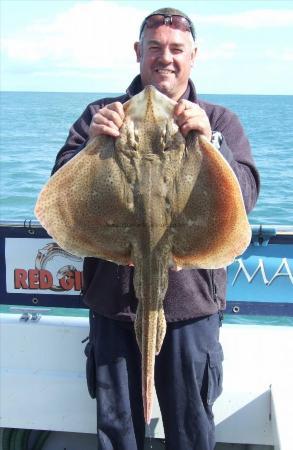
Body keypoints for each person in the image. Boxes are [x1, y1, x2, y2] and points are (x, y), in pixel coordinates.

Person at [52, 7, 260, 450]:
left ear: (192, 56)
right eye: (154, 48)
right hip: (113, 306)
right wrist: (93, 145)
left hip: (191, 311)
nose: (165, 58)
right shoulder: (101, 114)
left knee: (190, 431)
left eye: (176, 49)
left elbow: (245, 199)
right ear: (138, 53)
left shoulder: (219, 121)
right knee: (119, 435)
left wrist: (211, 146)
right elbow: (60, 193)